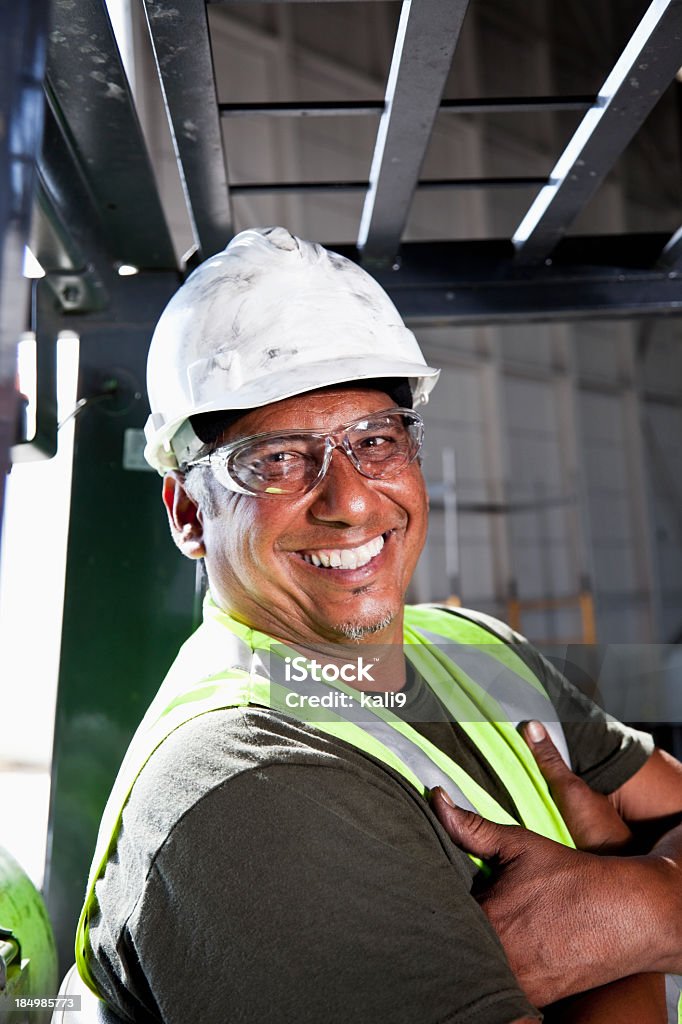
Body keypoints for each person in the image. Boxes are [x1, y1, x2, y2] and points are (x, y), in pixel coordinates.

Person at [76, 227, 682, 1023]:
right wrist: (632, 917)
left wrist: (646, 898)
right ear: (190, 512)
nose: (352, 501)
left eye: (374, 441)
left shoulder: (475, 647)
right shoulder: (249, 787)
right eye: (277, 459)